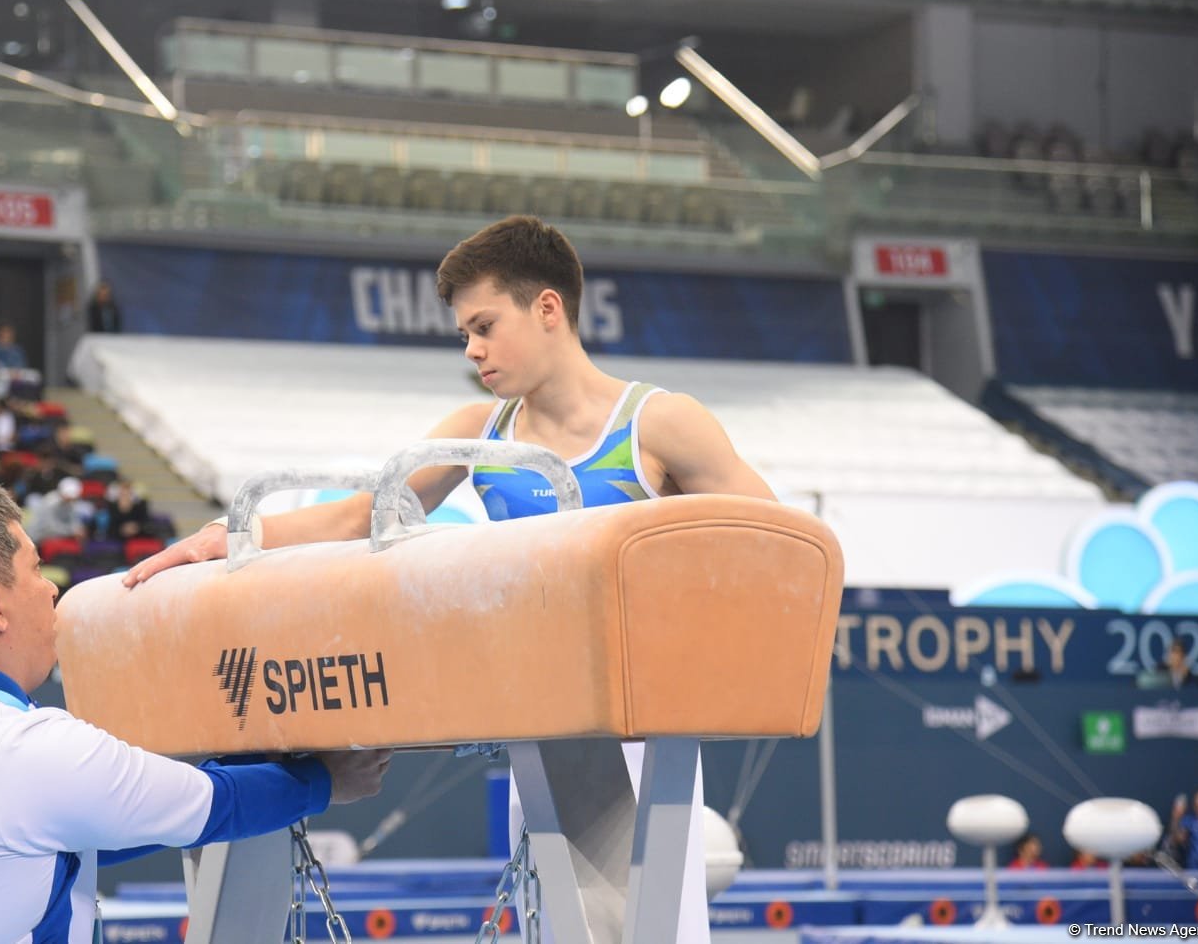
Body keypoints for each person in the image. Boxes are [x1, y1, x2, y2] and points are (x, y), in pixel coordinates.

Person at [123, 215, 774, 944]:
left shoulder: (659, 425)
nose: (472, 349)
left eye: (485, 326)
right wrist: (233, 534)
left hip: (641, 727)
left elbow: (775, 548)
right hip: (542, 726)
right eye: (465, 333)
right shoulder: (481, 433)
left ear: (548, 308)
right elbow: (362, 516)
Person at [0, 478, 390, 940]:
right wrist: (326, 780)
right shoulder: (19, 750)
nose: (51, 590)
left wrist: (255, 766)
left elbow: (78, 832)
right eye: (35, 569)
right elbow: (212, 808)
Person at [29, 477, 88, 542]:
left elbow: (74, 520)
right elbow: (51, 527)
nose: (71, 500)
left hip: (52, 537)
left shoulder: (69, 503)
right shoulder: (50, 502)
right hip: (37, 537)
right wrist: (72, 531)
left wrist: (78, 529)